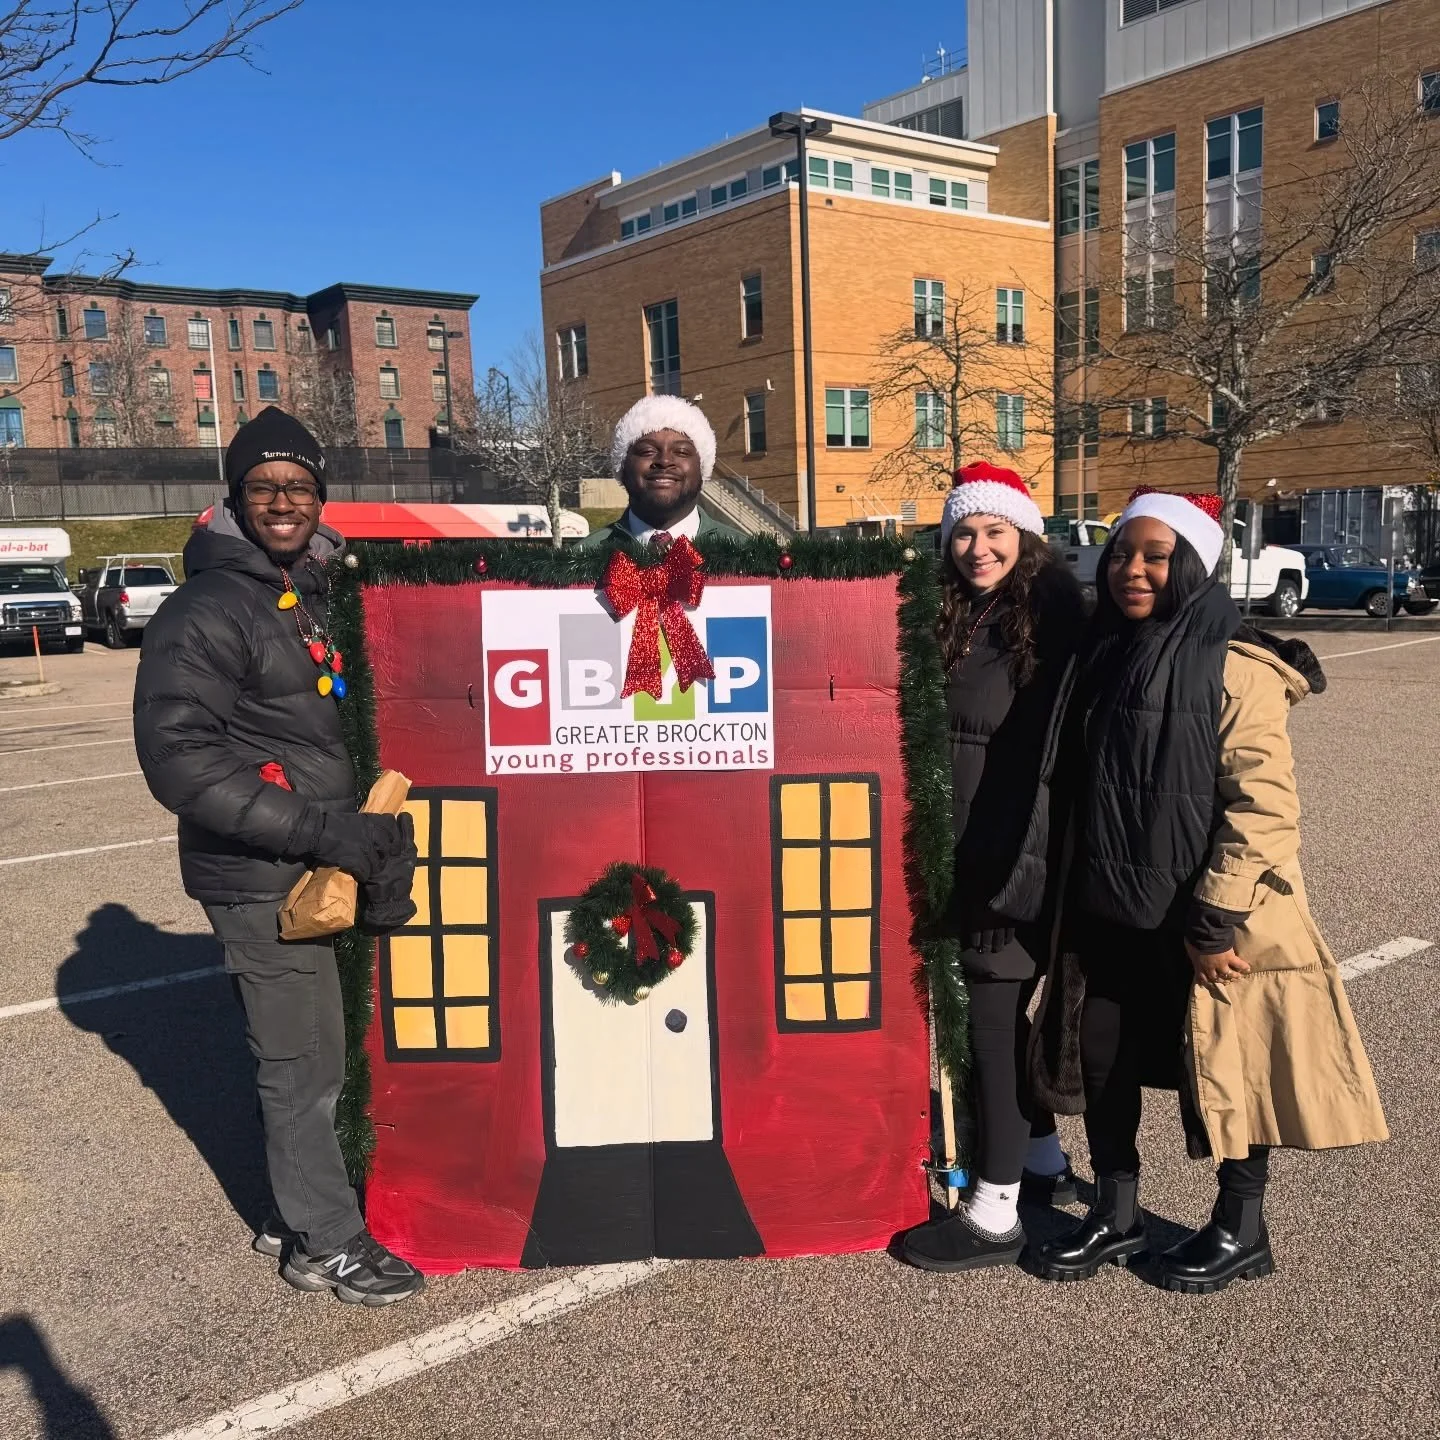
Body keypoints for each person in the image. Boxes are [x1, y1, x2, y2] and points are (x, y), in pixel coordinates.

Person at [1031, 487, 1388, 1294]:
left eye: (1156, 556)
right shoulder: (1104, 648)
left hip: (1198, 912)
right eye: (1123, 551)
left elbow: (1264, 808)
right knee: (1103, 1058)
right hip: (1108, 901)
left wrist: (1217, 915)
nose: (1133, 569)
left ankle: (1241, 1227)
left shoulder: (1234, 666)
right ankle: (1116, 1214)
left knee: (1225, 1068)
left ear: (1192, 564)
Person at [134, 406, 426, 1307]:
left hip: (317, 865)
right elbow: (178, 757)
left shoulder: (299, 591)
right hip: (266, 874)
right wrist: (317, 829)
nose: (283, 500)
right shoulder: (210, 606)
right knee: (301, 1065)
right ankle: (325, 1243)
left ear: (321, 496)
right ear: (235, 497)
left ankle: (305, 1206)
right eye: (263, 486)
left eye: (299, 486)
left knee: (318, 1052)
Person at [901, 463, 1086, 1273]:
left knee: (990, 1023)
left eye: (995, 533)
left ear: (1026, 539)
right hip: (961, 848)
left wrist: (1013, 865)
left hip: (1009, 857)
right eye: (964, 534)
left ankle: (996, 1209)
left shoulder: (1048, 621)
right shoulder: (960, 614)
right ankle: (1043, 1163)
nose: (978, 547)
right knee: (998, 1020)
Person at [582, 395, 745, 551]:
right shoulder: (578, 559)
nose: (665, 461)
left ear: (702, 468)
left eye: (681, 452)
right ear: (622, 466)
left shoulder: (749, 556)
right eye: (647, 451)